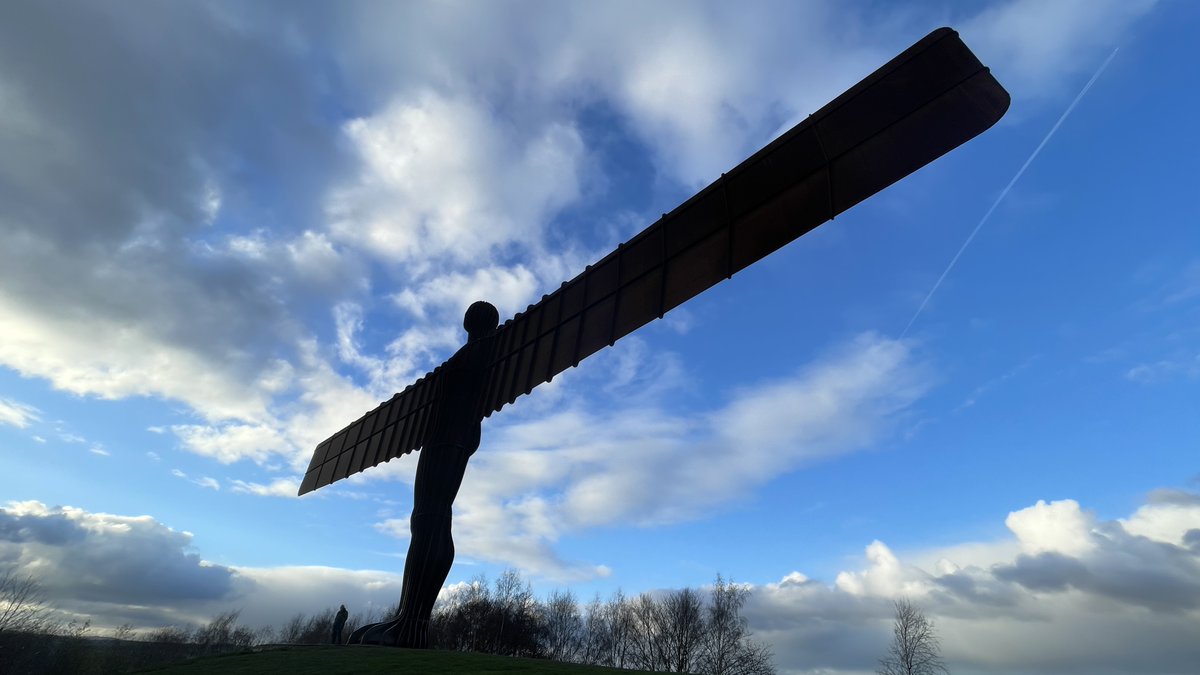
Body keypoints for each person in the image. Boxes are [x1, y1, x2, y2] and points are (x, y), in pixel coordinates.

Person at [350, 301, 499, 648]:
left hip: (452, 436)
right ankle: (409, 617)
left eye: (475, 316)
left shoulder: (484, 353)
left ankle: (414, 623)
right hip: (444, 436)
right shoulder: (469, 355)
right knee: (425, 518)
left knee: (432, 516)